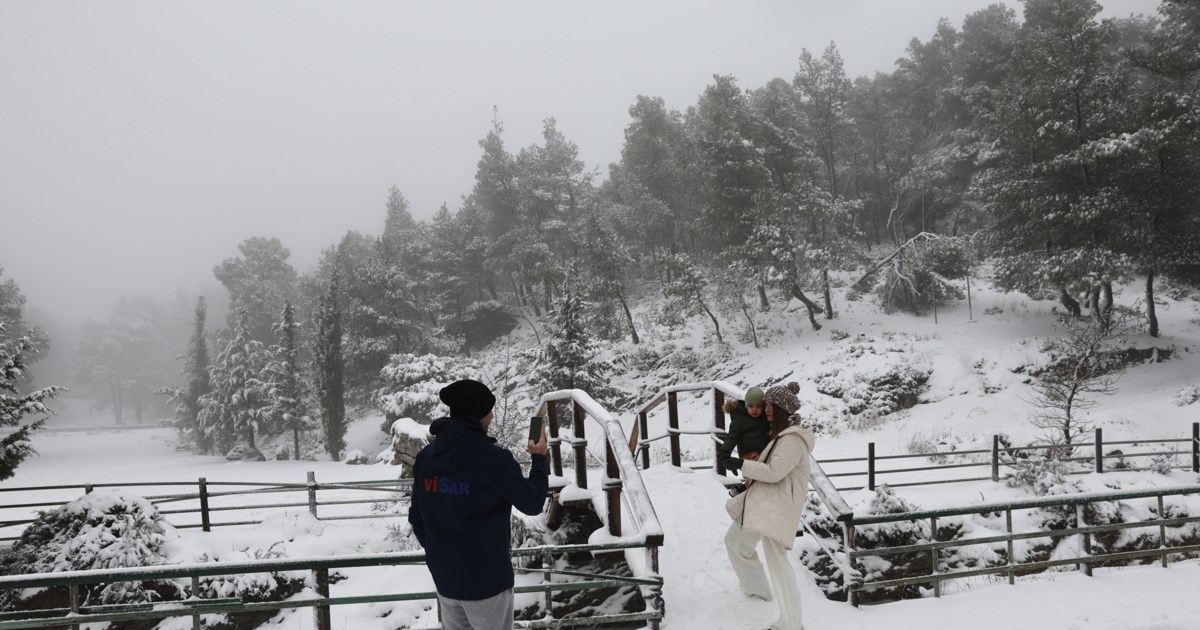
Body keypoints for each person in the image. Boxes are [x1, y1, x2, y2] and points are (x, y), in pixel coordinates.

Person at [408, 379, 549, 630]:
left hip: (445, 578)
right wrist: (539, 458)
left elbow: (416, 518)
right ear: (480, 414)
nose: (493, 415)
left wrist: (442, 554)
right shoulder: (493, 460)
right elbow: (533, 502)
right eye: (490, 409)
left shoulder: (426, 458)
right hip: (488, 583)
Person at [723, 381, 815, 630]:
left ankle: (792, 624)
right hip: (764, 502)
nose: (766, 409)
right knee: (736, 542)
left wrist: (742, 464)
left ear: (783, 409)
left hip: (778, 506)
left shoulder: (792, 440)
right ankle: (758, 592)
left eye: (771, 405)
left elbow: (774, 472)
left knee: (778, 564)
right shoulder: (779, 435)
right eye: (766, 404)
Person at [716, 386, 771, 478]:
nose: (754, 409)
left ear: (763, 406)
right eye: (751, 406)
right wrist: (739, 464)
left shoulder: (767, 419)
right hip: (751, 468)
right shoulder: (739, 423)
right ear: (746, 406)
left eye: (758, 406)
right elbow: (723, 455)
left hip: (768, 466)